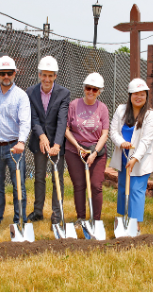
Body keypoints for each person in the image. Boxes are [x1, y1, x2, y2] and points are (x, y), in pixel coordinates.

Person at [0, 56, 31, 228]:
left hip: (15, 146)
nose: (6, 76)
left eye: (9, 73)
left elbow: (25, 122)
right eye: (3, 73)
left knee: (18, 184)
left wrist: (21, 142)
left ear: (15, 73)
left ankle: (20, 219)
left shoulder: (21, 96)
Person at [25, 56, 70, 223]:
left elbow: (62, 119)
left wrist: (57, 144)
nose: (47, 79)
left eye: (50, 75)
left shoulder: (64, 93)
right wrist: (42, 137)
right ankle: (38, 212)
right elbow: (33, 118)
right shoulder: (30, 92)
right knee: (39, 177)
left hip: (56, 143)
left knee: (57, 177)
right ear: (39, 75)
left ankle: (57, 214)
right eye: (44, 75)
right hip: (39, 142)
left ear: (55, 76)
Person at [109, 79, 153, 223]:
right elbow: (113, 132)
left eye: (142, 94)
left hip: (141, 160)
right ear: (130, 95)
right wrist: (121, 142)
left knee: (136, 190)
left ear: (146, 96)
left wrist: (135, 158)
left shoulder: (151, 115)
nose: (138, 97)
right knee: (124, 188)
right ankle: (123, 219)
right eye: (135, 94)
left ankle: (134, 223)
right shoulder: (121, 110)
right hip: (123, 156)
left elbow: (146, 141)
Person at [64, 73, 110, 225]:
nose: (91, 92)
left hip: (96, 151)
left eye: (95, 89)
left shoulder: (102, 108)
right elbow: (66, 129)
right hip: (74, 150)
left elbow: (105, 133)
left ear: (100, 91)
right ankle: (81, 218)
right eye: (88, 88)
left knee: (95, 185)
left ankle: (96, 220)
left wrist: (95, 152)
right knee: (79, 184)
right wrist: (77, 147)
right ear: (84, 88)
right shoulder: (74, 105)